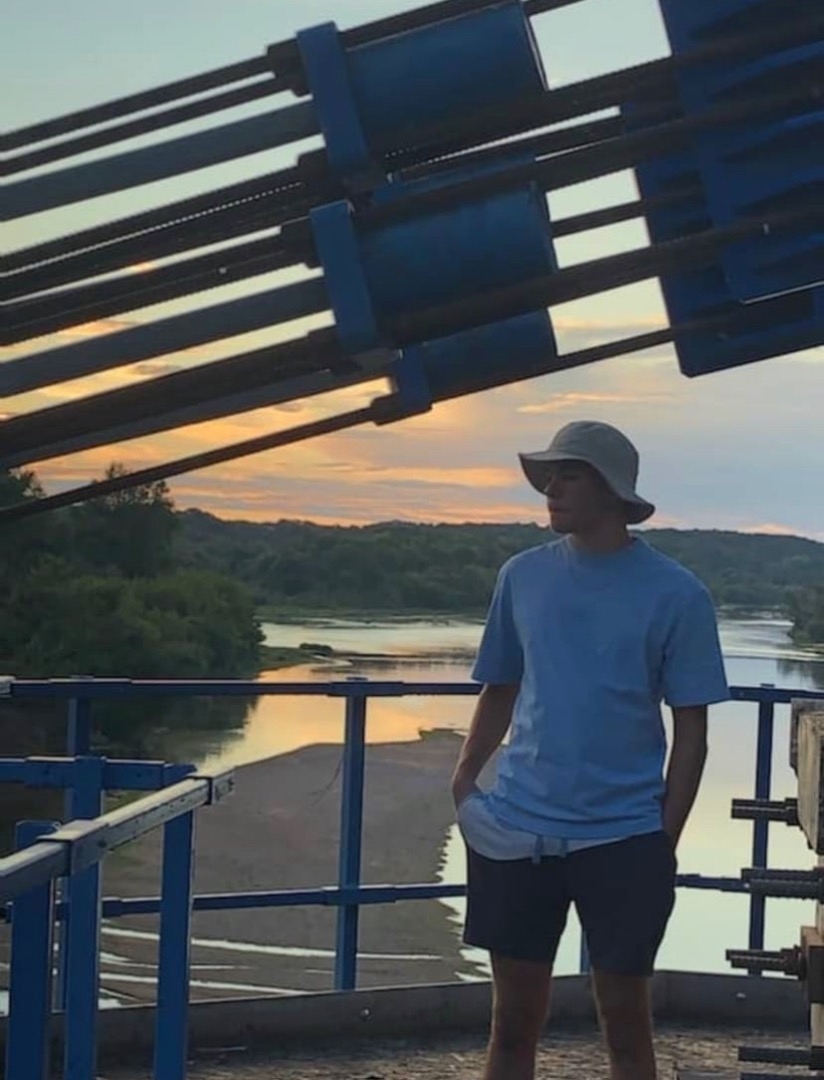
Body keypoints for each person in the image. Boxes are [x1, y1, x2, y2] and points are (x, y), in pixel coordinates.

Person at [451, 419, 729, 1080]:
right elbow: (500, 686)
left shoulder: (678, 593)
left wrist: (663, 839)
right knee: (511, 1026)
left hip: (624, 837)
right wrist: (464, 780)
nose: (551, 488)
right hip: (518, 830)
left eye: (568, 474)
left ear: (610, 489)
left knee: (626, 1027)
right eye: (549, 475)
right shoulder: (522, 576)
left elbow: (692, 729)